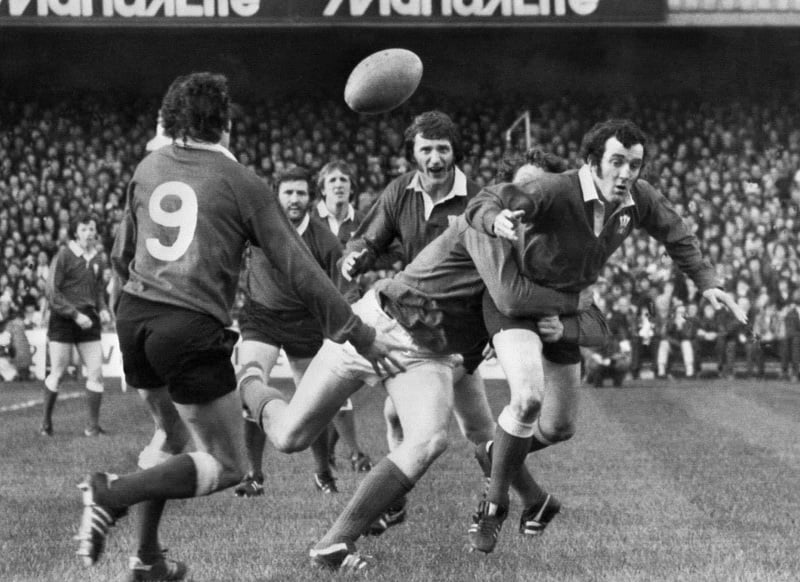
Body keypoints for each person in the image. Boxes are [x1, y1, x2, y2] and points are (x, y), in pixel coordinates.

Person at [73, 72, 399, 582]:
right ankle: (110, 494)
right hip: (187, 325)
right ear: (225, 124)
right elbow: (300, 268)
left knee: (168, 434)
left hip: (135, 318)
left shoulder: (148, 166)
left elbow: (121, 254)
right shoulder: (242, 182)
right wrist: (359, 332)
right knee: (229, 465)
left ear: (174, 120)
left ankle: (147, 558)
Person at [240, 183, 605, 571]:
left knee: (430, 439)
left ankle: (335, 543)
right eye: (525, 194)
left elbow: (594, 322)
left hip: (429, 353)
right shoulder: (481, 226)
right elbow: (512, 296)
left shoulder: (547, 258)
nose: (532, 206)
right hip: (381, 321)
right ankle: (249, 383)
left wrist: (566, 321)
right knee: (290, 437)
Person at [464, 118, 747, 553]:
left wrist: (708, 283)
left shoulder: (638, 198)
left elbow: (676, 232)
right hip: (516, 302)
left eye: (634, 164)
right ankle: (493, 508)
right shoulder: (556, 189)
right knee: (528, 399)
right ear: (592, 162)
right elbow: (485, 200)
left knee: (559, 426)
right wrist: (494, 218)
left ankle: (497, 452)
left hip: (565, 305)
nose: (626, 173)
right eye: (616, 162)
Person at [338, 110, 501, 533]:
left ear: (455, 153)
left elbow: (496, 271)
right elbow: (368, 239)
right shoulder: (400, 192)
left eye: (442, 149)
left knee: (407, 413)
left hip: (461, 329)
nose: (435, 158)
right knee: (473, 425)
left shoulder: (477, 200)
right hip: (420, 325)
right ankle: (507, 497)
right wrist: (356, 257)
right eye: (426, 149)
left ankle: (406, 502)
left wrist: (492, 329)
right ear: (413, 153)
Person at [232, 166, 361, 498]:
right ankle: (254, 474)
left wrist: (348, 327)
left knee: (314, 401)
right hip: (261, 317)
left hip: (306, 323)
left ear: (311, 198)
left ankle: (322, 472)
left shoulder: (324, 239)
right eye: (288, 192)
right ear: (276, 196)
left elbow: (344, 288)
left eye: (301, 193)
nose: (294, 199)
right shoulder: (256, 227)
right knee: (251, 386)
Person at [311, 160, 376, 474]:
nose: (339, 184)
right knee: (328, 384)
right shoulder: (310, 220)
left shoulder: (362, 222)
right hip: (313, 310)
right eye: (333, 180)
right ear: (322, 188)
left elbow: (384, 250)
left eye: (344, 180)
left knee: (345, 382)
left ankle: (334, 453)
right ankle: (354, 454)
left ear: (352, 188)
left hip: (350, 309)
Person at [40, 211, 110, 437]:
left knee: (96, 372)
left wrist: (102, 308)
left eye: (91, 229)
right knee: (59, 371)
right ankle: (46, 423)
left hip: (89, 319)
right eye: (84, 229)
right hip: (64, 318)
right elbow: (52, 291)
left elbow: (98, 290)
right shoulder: (64, 255)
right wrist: (74, 314)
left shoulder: (98, 259)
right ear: (76, 233)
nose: (88, 233)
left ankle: (92, 427)